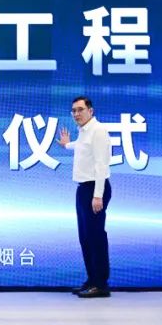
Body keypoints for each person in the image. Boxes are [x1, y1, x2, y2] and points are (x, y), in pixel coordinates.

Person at [57, 96, 112, 298]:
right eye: (73, 110)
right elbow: (82, 147)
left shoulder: (98, 131)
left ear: (91, 111)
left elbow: (101, 164)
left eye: (80, 109)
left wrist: (98, 195)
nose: (76, 114)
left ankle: (101, 284)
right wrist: (66, 145)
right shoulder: (84, 132)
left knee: (96, 237)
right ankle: (92, 279)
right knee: (85, 237)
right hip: (83, 189)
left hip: (94, 189)